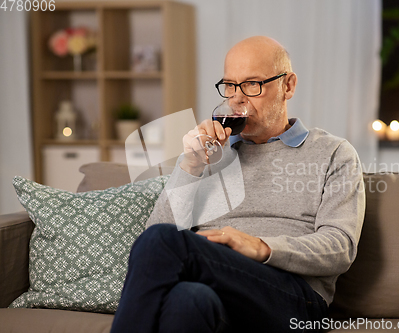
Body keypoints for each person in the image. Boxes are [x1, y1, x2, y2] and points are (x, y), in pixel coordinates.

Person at [110, 36, 365, 333]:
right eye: (230, 85)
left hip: (294, 300)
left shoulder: (334, 153)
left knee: (162, 242)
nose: (237, 99)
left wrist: (260, 246)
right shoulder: (207, 154)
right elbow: (157, 236)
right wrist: (190, 167)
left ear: (288, 86)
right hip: (217, 290)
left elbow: (340, 247)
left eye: (252, 84)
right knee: (188, 300)